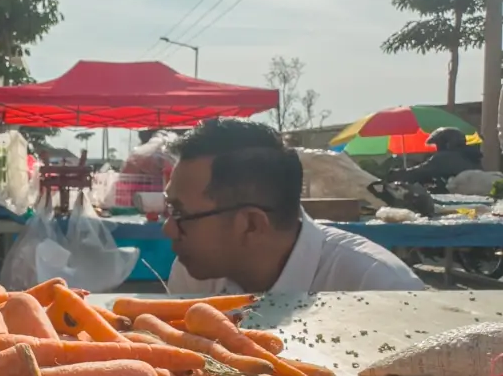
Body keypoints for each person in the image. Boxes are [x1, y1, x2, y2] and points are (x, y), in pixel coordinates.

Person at [165, 118, 424, 295]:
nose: (169, 230)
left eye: (180, 214)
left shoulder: (378, 287)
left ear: (252, 224)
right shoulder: (194, 275)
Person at [388, 127, 482, 188]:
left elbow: (419, 172)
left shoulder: (444, 158)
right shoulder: (472, 157)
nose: (436, 148)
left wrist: (394, 174)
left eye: (438, 144)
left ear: (446, 143)